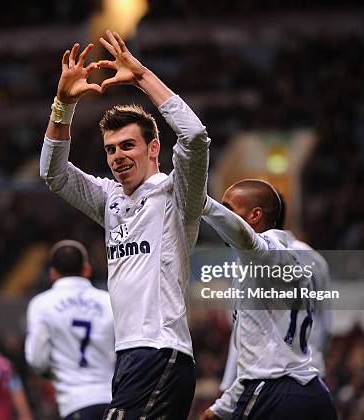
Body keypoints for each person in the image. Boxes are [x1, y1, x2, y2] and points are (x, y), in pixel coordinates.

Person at [40, 30, 210, 419]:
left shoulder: (176, 195)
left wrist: (141, 76)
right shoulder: (109, 199)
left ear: (153, 148)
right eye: (111, 149)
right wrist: (63, 103)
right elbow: (54, 175)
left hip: (161, 352)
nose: (117, 156)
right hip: (130, 356)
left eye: (127, 146)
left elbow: (196, 137)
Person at [199, 180, 337, 420]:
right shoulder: (300, 257)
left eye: (229, 209)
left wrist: (203, 204)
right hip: (313, 389)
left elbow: (262, 371)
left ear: (255, 215)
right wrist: (222, 406)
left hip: (274, 392)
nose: (225, 218)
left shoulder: (266, 253)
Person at [216, 196, 332, 392]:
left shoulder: (251, 262)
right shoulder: (315, 259)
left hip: (270, 378)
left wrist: (228, 385)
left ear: (256, 216)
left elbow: (243, 329)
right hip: (312, 373)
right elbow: (326, 325)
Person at [26, 240, 115, 419]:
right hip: (114, 401)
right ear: (87, 269)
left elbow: (36, 360)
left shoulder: (42, 304)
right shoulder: (109, 301)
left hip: (75, 402)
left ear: (52, 273)